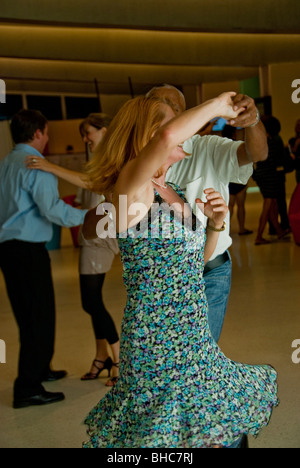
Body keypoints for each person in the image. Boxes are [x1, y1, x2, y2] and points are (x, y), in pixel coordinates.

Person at [82, 93, 278, 448]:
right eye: (173, 123)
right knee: (183, 437)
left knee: (220, 427)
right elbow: (167, 137)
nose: (184, 130)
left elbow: (194, 263)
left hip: (192, 332)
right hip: (157, 339)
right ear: (151, 136)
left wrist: (216, 224)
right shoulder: (132, 189)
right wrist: (219, 105)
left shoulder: (169, 189)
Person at [147, 84, 267, 343]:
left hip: (211, 271)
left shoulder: (206, 147)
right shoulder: (137, 162)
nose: (167, 115)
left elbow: (257, 153)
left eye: (174, 109)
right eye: (157, 107)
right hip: (162, 279)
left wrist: (253, 120)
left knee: (203, 349)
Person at [0, 109, 88, 408]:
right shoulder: (37, 166)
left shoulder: (5, 164)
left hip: (8, 249)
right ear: (37, 133)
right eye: (47, 133)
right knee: (39, 316)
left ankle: (41, 369)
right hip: (27, 249)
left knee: (26, 314)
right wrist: (91, 217)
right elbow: (53, 211)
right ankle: (27, 388)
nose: (48, 138)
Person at [26, 113, 121, 386]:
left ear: (104, 130)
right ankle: (102, 356)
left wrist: (50, 166)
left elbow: (94, 185)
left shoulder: (111, 157)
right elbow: (86, 196)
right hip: (95, 231)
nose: (84, 138)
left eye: (88, 132)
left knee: (89, 301)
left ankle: (119, 361)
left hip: (102, 234)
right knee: (92, 300)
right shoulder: (97, 159)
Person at [253, 116, 291, 245]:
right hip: (270, 176)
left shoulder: (263, 139)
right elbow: (274, 160)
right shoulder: (273, 140)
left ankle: (279, 231)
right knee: (268, 206)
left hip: (263, 175)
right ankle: (259, 236)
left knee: (272, 205)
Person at [223, 125, 253, 236]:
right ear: (234, 133)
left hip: (228, 181)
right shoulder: (237, 145)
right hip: (239, 180)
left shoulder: (221, 145)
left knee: (229, 207)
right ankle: (241, 228)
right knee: (241, 205)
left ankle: (226, 231)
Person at [289, 118, 300, 184]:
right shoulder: (293, 140)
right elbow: (291, 151)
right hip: (298, 167)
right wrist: (296, 144)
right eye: (298, 125)